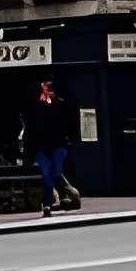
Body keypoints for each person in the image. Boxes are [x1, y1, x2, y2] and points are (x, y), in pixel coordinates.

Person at [26, 78, 81, 213]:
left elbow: (69, 122)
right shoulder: (38, 106)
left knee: (56, 173)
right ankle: (51, 202)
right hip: (45, 146)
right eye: (45, 89)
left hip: (56, 144)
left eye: (48, 89)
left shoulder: (59, 105)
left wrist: (69, 138)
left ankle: (63, 198)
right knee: (48, 175)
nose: (46, 92)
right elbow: (32, 127)